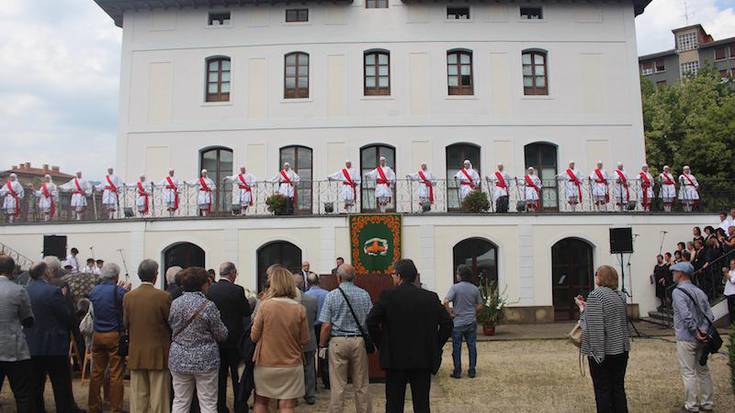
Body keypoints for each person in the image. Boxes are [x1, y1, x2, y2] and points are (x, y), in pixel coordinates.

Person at [367, 259, 452, 412]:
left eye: (393, 274)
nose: (393, 278)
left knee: (394, 404)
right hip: (422, 357)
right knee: (422, 404)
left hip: (394, 358)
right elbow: (447, 324)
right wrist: (434, 344)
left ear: (399, 276)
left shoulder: (388, 296)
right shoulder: (430, 297)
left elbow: (371, 322)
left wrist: (382, 344)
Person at [251, 266, 310, 413]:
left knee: (261, 402)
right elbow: (304, 339)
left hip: (266, 362)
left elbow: (254, 336)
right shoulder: (299, 309)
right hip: (291, 362)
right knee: (287, 405)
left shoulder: (264, 306)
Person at [169, 267, 228, 413]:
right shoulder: (208, 306)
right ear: (202, 284)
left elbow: (171, 325)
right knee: (208, 402)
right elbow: (221, 334)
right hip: (205, 360)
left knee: (180, 401)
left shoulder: (175, 303)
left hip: (179, 357)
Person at [24, 260, 79, 412]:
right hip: (54, 344)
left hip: (33, 343)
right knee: (60, 384)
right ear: (45, 273)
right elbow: (66, 317)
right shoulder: (53, 291)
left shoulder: (25, 290)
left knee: (36, 385)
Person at [318, 263, 373, 413]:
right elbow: (370, 320)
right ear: (354, 277)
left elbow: (326, 326)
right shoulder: (364, 294)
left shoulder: (332, 295)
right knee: (361, 384)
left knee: (338, 385)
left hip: (337, 341)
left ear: (339, 277)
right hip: (358, 340)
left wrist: (322, 345)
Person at [576, 265, 630, 413]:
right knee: (618, 389)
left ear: (601, 277)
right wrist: (587, 308)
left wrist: (582, 311)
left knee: (603, 392)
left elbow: (593, 328)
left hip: (604, 353)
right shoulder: (620, 295)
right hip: (621, 350)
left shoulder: (596, 295)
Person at [206, 262, 252, 413]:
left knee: (219, 375)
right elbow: (246, 312)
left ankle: (220, 406)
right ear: (231, 273)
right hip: (234, 339)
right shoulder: (237, 290)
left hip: (216, 339)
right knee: (236, 374)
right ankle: (239, 405)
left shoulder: (211, 289)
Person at [670, 262, 715, 413]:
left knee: (688, 371)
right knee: (703, 370)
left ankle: (692, 405)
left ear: (681, 274)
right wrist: (703, 331)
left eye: (675, 272)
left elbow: (686, 315)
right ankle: (707, 403)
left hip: (686, 336)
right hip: (703, 335)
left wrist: (695, 331)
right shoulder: (699, 291)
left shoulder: (678, 292)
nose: (673, 274)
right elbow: (709, 314)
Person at [88, 263, 128, 413]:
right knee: (116, 373)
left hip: (97, 334)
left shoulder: (94, 290)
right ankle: (115, 407)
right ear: (116, 277)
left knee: (96, 373)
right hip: (113, 334)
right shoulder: (117, 291)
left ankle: (94, 406)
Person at [0, 255, 35, 412]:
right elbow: (28, 320)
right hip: (14, 348)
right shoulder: (18, 290)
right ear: (13, 270)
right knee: (22, 395)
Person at [443, 265, 483, 378]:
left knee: (456, 347)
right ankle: (472, 370)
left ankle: (457, 371)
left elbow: (445, 301)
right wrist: (473, 310)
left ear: (460, 275)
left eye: (457, 273)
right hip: (471, 321)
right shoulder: (475, 288)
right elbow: (480, 305)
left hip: (458, 322)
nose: (456, 275)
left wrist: (450, 313)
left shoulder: (455, 288)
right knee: (472, 346)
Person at [304, 273, 330, 389]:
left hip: (311, 327)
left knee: (310, 357)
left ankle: (312, 384)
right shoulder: (327, 294)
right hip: (325, 326)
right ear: (319, 281)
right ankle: (327, 381)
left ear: (308, 283)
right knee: (324, 354)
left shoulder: (306, 295)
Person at [298, 284, 319, 405]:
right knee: (309, 367)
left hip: (291, 340)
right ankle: (310, 395)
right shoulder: (312, 300)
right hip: (309, 338)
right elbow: (315, 319)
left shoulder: (286, 301)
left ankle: (293, 396)